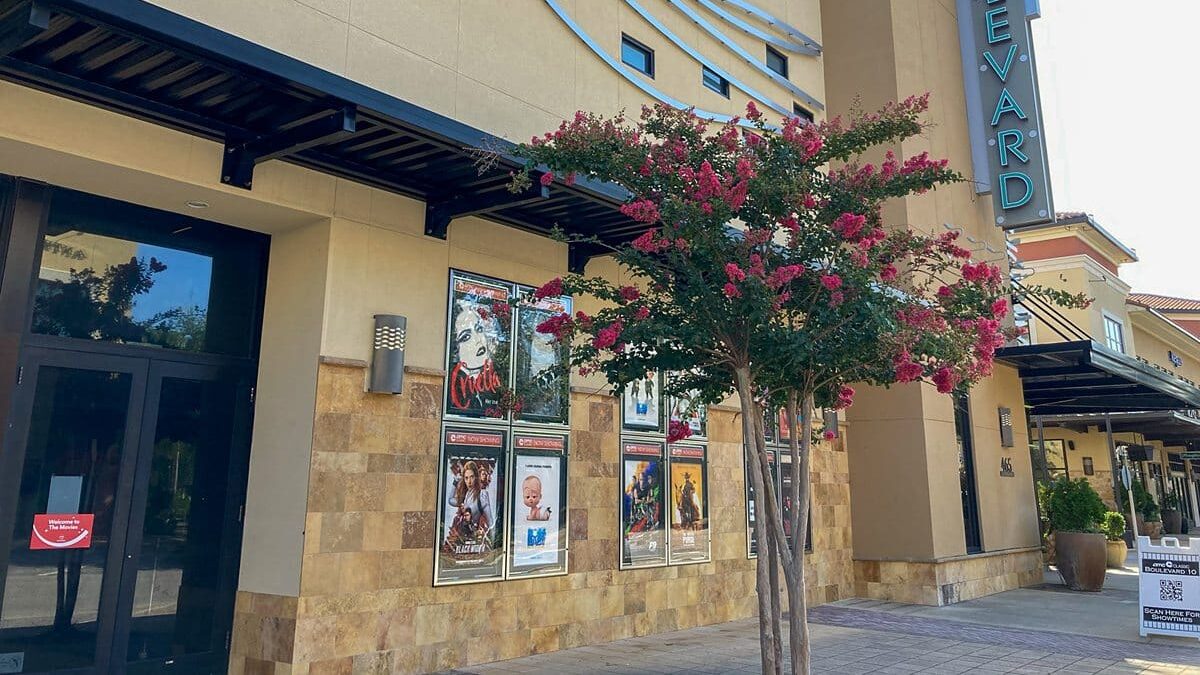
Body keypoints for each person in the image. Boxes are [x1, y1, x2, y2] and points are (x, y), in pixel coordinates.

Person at [448, 300, 502, 414]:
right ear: (454, 350)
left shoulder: (492, 381)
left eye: (479, 329)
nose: (478, 340)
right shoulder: (454, 384)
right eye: (466, 337)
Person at [447, 460, 494, 546]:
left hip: (475, 539)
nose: (469, 481)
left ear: (476, 477)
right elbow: (450, 500)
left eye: (472, 477)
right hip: (462, 539)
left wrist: (484, 534)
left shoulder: (482, 495)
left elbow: (490, 522)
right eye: (466, 478)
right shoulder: (465, 495)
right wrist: (455, 482)